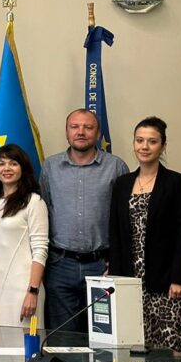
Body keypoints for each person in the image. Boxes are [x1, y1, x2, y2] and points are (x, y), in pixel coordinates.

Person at [109, 117, 181, 354]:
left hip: (166, 282)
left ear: (163, 146)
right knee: (134, 352)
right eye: (139, 140)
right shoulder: (122, 183)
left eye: (152, 141)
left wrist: (179, 277)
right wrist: (115, 276)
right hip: (130, 282)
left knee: (169, 353)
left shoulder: (176, 183)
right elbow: (115, 233)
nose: (144, 146)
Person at [40, 109, 129, 330]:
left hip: (102, 265)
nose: (81, 132)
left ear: (98, 134)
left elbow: (125, 220)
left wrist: (117, 261)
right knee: (62, 337)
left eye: (88, 127)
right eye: (74, 127)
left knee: (104, 335)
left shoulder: (116, 167)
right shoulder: (50, 167)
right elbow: (43, 212)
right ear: (66, 132)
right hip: (60, 266)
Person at [0, 144, 48, 328]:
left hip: (23, 288)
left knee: (23, 342)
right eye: (1, 163)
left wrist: (33, 291)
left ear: (23, 168)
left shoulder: (34, 202)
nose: (7, 168)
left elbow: (40, 250)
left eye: (13, 163)